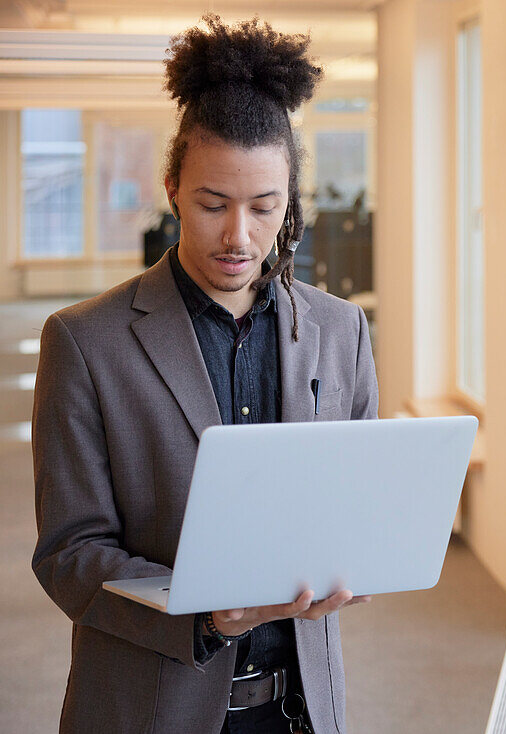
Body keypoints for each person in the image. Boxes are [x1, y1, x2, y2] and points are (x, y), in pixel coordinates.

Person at [31, 15, 377, 734]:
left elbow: (356, 507)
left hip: (299, 708)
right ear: (172, 187)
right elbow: (70, 555)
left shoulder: (340, 331)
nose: (238, 236)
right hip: (150, 708)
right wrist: (205, 613)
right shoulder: (85, 341)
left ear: (291, 203)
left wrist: (360, 559)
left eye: (264, 208)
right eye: (213, 204)